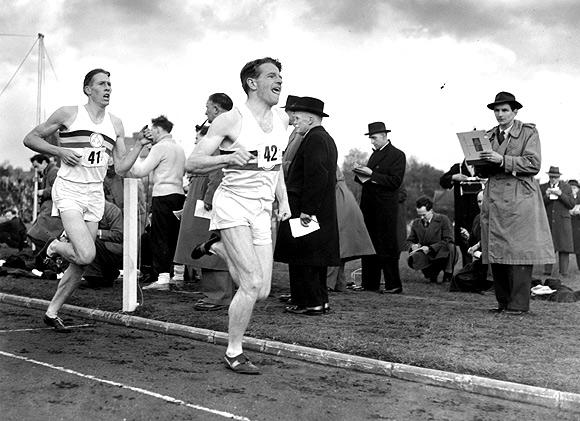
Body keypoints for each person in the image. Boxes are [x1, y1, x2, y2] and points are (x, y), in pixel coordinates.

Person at [22, 68, 150, 332]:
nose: (108, 88)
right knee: (86, 253)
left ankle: (52, 311)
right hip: (69, 190)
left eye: (110, 84)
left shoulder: (115, 124)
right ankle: (55, 247)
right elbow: (30, 138)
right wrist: (59, 150)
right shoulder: (69, 113)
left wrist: (139, 144)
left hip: (94, 194)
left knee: (81, 263)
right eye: (102, 84)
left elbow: (122, 167)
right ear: (88, 89)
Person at [187, 57, 291, 374]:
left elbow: (276, 167)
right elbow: (193, 163)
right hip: (232, 204)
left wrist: (282, 200)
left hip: (261, 210)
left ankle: (218, 248)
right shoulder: (231, 120)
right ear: (252, 82)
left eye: (281, 76)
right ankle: (234, 352)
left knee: (262, 290)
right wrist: (229, 156)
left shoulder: (282, 120)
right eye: (272, 76)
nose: (280, 81)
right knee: (250, 283)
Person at [476, 91, 554, 315]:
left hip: (520, 197)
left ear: (515, 111)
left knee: (520, 251)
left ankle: (518, 305)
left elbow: (533, 163)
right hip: (495, 196)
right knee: (497, 248)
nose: (500, 115)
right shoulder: (488, 136)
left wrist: (502, 160)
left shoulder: (529, 132)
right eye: (497, 111)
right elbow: (484, 168)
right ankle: (503, 302)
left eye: (504, 110)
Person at [274, 96, 340, 315]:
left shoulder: (315, 139)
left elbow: (316, 176)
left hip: (307, 210)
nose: (293, 121)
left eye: (298, 118)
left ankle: (310, 303)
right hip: (316, 209)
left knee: (304, 258)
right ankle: (319, 301)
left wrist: (307, 210)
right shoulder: (323, 138)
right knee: (314, 259)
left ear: (311, 119)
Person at [175, 93, 236, 310]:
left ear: (217, 109)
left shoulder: (222, 132)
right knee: (208, 244)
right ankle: (216, 294)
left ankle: (218, 296)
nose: (206, 112)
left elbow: (218, 169)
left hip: (209, 194)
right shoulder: (228, 128)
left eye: (208, 107)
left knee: (209, 244)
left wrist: (209, 198)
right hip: (206, 190)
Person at [128, 115, 186, 291]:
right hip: (178, 194)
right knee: (175, 236)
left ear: (159, 130)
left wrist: (129, 159)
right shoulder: (179, 148)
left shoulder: (160, 147)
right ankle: (179, 275)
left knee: (160, 236)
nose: (150, 133)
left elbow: (140, 171)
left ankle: (162, 278)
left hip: (163, 194)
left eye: (152, 130)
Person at [355, 122, 406, 294]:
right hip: (370, 206)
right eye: (371, 138)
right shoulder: (375, 155)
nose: (372, 141)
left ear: (384, 136)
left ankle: (394, 284)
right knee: (369, 244)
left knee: (387, 246)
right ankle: (370, 283)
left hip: (385, 209)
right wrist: (360, 172)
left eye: (374, 138)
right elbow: (371, 179)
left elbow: (395, 182)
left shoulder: (397, 155)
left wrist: (371, 174)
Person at [326, 166, 375, 292]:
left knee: (335, 247)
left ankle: (328, 284)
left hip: (340, 204)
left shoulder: (334, 180)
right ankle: (339, 284)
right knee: (341, 249)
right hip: (346, 203)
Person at [439, 159, 484, 265]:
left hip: (480, 215)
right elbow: (443, 181)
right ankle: (467, 272)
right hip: (463, 216)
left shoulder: (484, 167)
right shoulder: (457, 168)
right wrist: (454, 177)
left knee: (481, 243)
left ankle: (482, 273)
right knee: (465, 247)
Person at [406, 196, 457, 283]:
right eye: (419, 215)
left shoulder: (443, 219)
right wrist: (413, 246)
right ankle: (431, 274)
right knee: (415, 259)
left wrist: (430, 248)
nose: (422, 218)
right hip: (426, 254)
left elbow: (448, 239)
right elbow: (410, 240)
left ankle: (448, 274)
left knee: (450, 247)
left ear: (431, 210)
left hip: (440, 251)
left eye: (424, 214)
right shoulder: (416, 223)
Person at [450, 191, 492, 293]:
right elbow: (473, 242)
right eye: (479, 201)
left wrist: (478, 245)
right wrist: (468, 237)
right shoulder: (477, 218)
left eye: (483, 201)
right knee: (458, 278)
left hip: (493, 259)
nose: (480, 204)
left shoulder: (496, 218)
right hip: (480, 261)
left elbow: (494, 238)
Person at [540, 166, 575, 277]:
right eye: (551, 177)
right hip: (549, 221)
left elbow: (571, 204)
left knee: (564, 247)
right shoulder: (543, 187)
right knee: (548, 247)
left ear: (559, 177)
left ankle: (564, 272)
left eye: (555, 177)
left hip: (563, 222)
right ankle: (547, 271)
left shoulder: (566, 187)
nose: (553, 179)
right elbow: (539, 204)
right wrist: (546, 195)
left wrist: (561, 194)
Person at [27, 154, 64, 250]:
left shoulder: (54, 171)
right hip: (48, 209)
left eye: (36, 166)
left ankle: (48, 254)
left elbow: (60, 189)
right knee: (35, 233)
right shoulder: (47, 173)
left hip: (53, 210)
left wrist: (42, 192)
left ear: (44, 162)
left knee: (37, 234)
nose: (36, 170)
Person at [83, 201, 123, 287]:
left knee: (91, 239)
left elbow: (119, 235)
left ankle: (94, 277)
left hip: (114, 249)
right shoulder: (83, 210)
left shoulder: (112, 210)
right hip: (101, 248)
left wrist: (96, 232)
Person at [568, 179, 580, 270]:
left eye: (574, 188)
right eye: (571, 188)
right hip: (568, 223)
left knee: (578, 247)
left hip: (578, 224)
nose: (573, 190)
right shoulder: (567, 197)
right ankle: (564, 268)